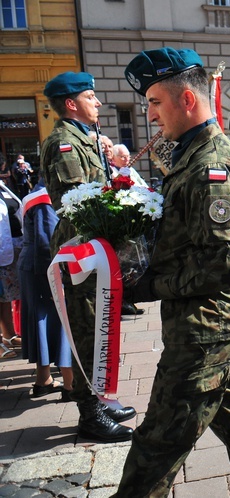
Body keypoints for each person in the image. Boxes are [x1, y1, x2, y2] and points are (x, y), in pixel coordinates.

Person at [116, 47, 230, 498]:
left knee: (161, 436)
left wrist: (147, 283)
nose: (151, 114)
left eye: (155, 102)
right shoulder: (190, 156)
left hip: (208, 323)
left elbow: (223, 265)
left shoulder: (214, 168)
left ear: (187, 101)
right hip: (208, 318)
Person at [40, 71, 135, 442]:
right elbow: (75, 202)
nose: (97, 102)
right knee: (86, 334)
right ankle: (90, 414)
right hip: (79, 251)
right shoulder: (64, 143)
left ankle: (102, 398)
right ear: (70, 104)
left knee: (101, 328)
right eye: (90, 96)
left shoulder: (87, 139)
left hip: (95, 247)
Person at [19, 180, 73, 399]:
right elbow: (47, 242)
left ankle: (43, 379)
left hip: (36, 268)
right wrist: (52, 280)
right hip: (44, 268)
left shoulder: (39, 194)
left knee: (42, 324)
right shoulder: (45, 199)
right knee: (60, 322)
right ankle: (71, 384)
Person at [0, 178, 23, 360]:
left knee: (5, 297)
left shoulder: (3, 186)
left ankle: (9, 336)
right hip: (3, 250)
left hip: (11, 249)